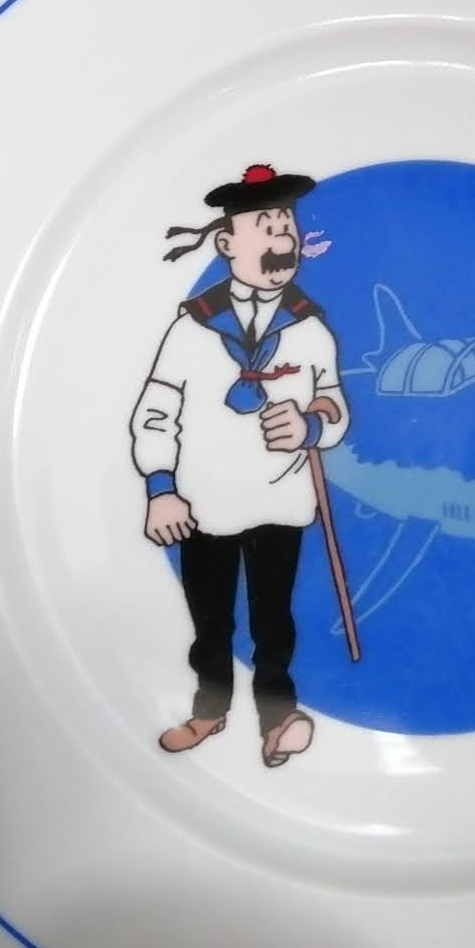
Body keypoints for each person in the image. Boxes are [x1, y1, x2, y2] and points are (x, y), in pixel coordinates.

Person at [130, 165, 349, 767]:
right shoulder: (191, 330)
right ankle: (209, 709)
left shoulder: (310, 330)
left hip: (282, 503)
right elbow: (156, 410)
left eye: (287, 228)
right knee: (211, 622)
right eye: (267, 228)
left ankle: (278, 719)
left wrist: (311, 426)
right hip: (206, 506)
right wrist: (160, 488)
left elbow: (334, 406)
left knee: (274, 621)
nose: (281, 242)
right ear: (228, 244)